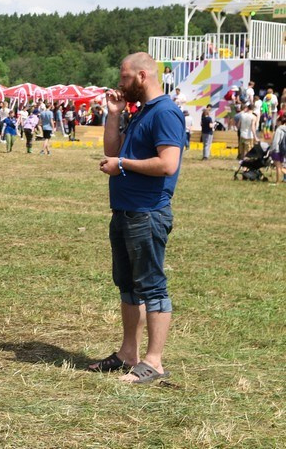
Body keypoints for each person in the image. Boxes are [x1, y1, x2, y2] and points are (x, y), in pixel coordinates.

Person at [90, 52, 184, 385]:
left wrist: (124, 166)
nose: (120, 83)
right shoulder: (141, 112)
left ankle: (154, 362)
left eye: (125, 77)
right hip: (126, 212)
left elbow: (168, 164)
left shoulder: (166, 113)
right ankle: (129, 353)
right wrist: (114, 115)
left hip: (148, 214)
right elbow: (115, 152)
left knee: (152, 287)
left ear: (143, 76)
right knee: (128, 286)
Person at [269, 115, 286, 185]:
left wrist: (271, 150)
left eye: (277, 121)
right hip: (283, 150)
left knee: (278, 167)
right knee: (280, 166)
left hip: (277, 149)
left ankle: (277, 182)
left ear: (279, 122)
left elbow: (276, 141)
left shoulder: (279, 129)